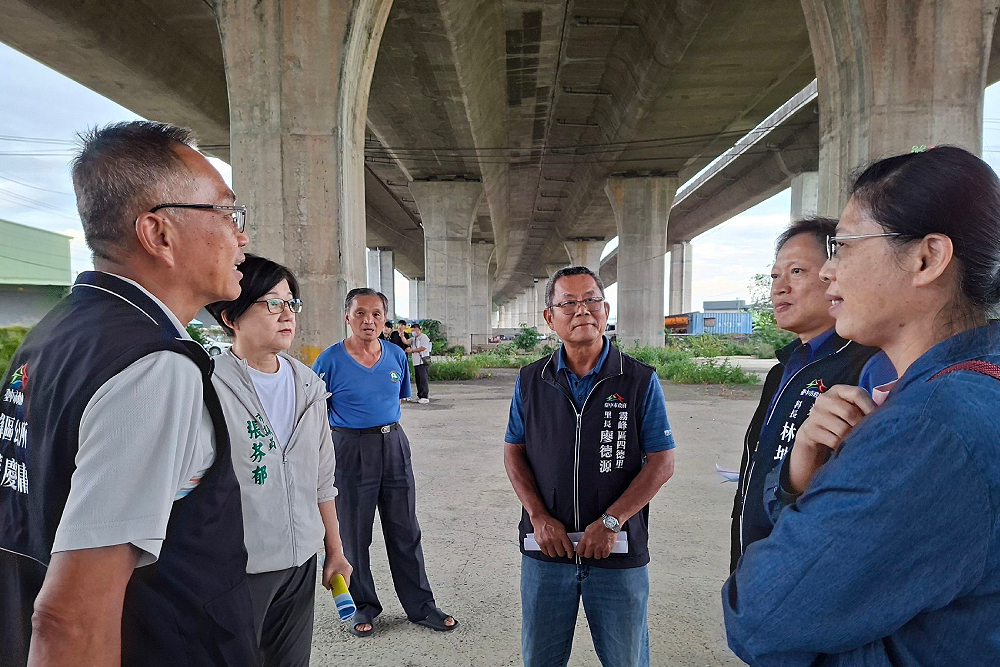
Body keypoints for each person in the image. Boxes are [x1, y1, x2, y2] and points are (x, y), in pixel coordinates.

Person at [724, 146, 1000, 665]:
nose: (829, 272)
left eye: (845, 246)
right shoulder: (967, 387)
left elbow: (760, 615)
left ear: (927, 258)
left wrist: (804, 495)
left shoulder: (927, 427)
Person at [0, 121, 257, 666]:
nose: (242, 237)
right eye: (227, 213)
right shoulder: (154, 366)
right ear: (158, 233)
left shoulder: (56, 334)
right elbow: (69, 620)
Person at [504, 266, 676, 667]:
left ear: (605, 308)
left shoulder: (638, 380)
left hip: (616, 550)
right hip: (547, 548)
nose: (582, 310)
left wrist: (612, 521)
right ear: (550, 317)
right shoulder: (531, 381)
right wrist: (538, 516)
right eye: (568, 303)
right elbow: (514, 452)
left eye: (591, 300)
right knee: (541, 658)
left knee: (627, 658)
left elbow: (662, 462)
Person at [206, 255, 353, 666]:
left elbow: (322, 480)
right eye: (272, 302)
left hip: (301, 561)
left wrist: (333, 549)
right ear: (231, 316)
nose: (287, 313)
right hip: (237, 569)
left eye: (291, 303)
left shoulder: (309, 385)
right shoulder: (208, 388)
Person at [729, 217, 895, 571]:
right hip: (758, 559)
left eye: (797, 272)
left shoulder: (869, 367)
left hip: (808, 570)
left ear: (836, 274)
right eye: (775, 276)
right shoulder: (782, 370)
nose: (779, 288)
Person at [312, 288, 458, 637]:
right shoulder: (329, 360)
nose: (369, 320)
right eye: (360, 313)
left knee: (405, 529)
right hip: (349, 448)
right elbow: (316, 412)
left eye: (376, 314)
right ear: (347, 317)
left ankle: (421, 606)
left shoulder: (395, 354)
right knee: (353, 534)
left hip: (393, 444)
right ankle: (362, 606)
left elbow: (399, 397)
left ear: (384, 319)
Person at [408, 322, 432, 404]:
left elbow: (423, 347)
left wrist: (412, 350)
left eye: (414, 330)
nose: (413, 332)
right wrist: (401, 335)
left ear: (418, 330)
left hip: (422, 361)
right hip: (416, 362)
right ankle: (420, 395)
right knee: (418, 379)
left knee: (423, 379)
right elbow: (406, 342)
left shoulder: (424, 337)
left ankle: (425, 396)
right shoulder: (414, 339)